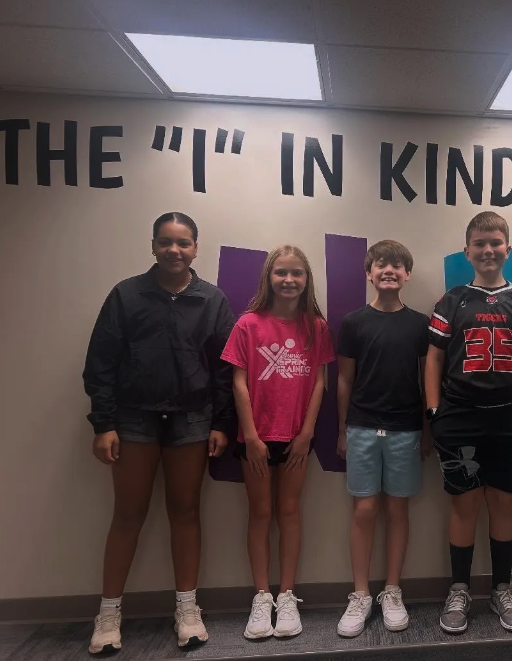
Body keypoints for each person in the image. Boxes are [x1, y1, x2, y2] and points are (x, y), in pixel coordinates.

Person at [83, 212, 235, 654]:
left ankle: (187, 610)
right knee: (128, 513)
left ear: (195, 248)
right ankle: (108, 614)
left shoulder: (212, 299)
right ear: (153, 246)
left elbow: (225, 368)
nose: (174, 250)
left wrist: (221, 423)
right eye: (166, 242)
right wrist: (104, 423)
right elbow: (101, 363)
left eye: (183, 243)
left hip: (191, 420)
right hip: (132, 420)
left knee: (185, 512)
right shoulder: (126, 295)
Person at [425, 211, 512, 634]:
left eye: (495, 242)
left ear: (507, 248)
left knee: (503, 501)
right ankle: (459, 587)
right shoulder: (452, 299)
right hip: (460, 416)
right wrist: (433, 411)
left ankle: (501, 587)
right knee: (464, 504)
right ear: (467, 251)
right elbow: (435, 358)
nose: (488, 250)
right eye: (479, 243)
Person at [220, 245, 335, 640]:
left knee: (289, 512)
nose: (289, 280)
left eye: (297, 273)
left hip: (297, 439)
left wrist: (306, 434)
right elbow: (237, 381)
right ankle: (261, 596)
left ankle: (286, 595)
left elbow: (320, 382)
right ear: (268, 278)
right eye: (281, 273)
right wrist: (249, 435)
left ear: (307, 280)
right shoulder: (248, 324)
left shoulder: (316, 327)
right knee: (260, 514)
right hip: (255, 438)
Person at [335, 240, 432, 637]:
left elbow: (428, 381)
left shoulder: (420, 324)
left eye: (396, 265)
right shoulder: (353, 322)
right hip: (360, 427)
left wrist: (427, 429)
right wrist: (342, 429)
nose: (388, 270)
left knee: (397, 511)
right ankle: (360, 594)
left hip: (406, 429)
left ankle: (392, 591)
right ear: (369, 273)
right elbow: (344, 379)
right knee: (364, 511)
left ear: (407, 274)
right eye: (380, 264)